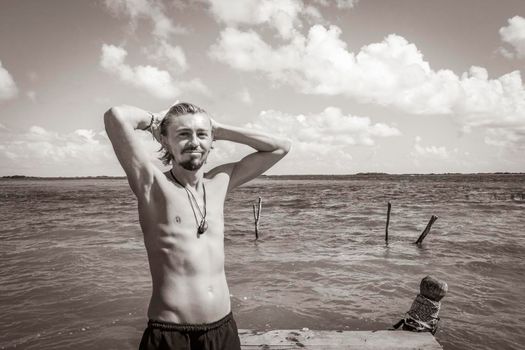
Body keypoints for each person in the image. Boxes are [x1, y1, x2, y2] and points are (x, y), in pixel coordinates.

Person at [104, 102, 291, 350]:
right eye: (183, 134)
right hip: (171, 334)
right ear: (165, 141)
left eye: (201, 135)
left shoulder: (220, 181)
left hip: (222, 330)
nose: (194, 142)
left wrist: (219, 129)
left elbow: (280, 147)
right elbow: (116, 116)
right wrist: (157, 121)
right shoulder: (152, 185)